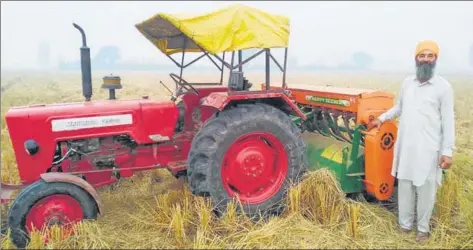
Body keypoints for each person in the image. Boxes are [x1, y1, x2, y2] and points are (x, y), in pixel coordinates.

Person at [368, 40, 455, 243]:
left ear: (435, 59)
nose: (425, 59)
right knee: (405, 186)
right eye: (422, 55)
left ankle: (423, 230)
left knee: (426, 189)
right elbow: (399, 107)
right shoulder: (408, 83)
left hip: (429, 148)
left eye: (430, 55)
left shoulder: (443, 88)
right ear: (416, 58)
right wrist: (381, 119)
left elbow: (448, 121)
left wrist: (448, 151)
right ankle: (405, 225)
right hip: (406, 147)